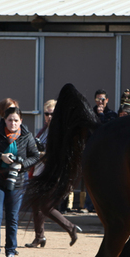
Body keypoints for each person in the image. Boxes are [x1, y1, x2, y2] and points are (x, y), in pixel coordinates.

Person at [0, 105, 39, 257]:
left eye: (16, 120)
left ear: (21, 121)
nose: (13, 123)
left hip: (17, 181)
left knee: (12, 217)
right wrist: (0, 157)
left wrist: (22, 165)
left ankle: (11, 251)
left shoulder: (26, 136)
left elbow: (35, 156)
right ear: (4, 120)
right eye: (9, 120)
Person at [26, 99, 81, 248]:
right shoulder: (43, 130)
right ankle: (39, 237)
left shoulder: (61, 132)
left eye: (52, 114)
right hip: (38, 172)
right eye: (47, 114)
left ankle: (71, 227)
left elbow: (58, 155)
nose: (49, 117)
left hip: (51, 174)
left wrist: (39, 154)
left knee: (45, 206)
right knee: (36, 206)